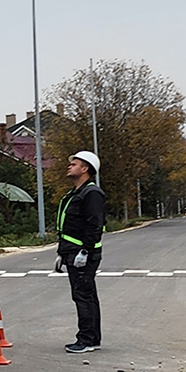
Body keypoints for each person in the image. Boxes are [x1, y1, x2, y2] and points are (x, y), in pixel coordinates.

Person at [55, 150, 106, 354]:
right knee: (86, 295)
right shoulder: (77, 193)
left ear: (85, 169)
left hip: (83, 254)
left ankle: (86, 339)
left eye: (74, 164)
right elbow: (70, 227)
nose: (70, 166)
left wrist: (84, 251)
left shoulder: (91, 193)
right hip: (73, 252)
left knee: (83, 296)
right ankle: (92, 338)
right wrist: (62, 253)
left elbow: (95, 225)